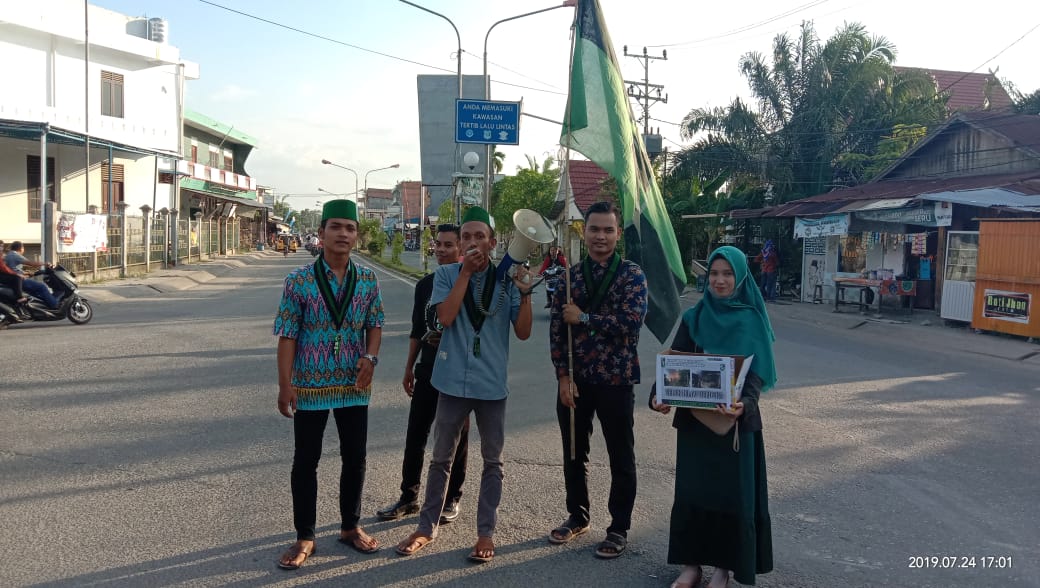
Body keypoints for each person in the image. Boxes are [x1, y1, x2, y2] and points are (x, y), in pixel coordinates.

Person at [395, 206, 533, 564]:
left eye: (479, 236)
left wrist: (527, 294)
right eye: (466, 237)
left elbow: (523, 331)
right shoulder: (445, 275)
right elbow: (446, 317)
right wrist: (465, 275)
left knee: (493, 461)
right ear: (460, 243)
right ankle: (426, 527)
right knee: (441, 458)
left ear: (492, 241)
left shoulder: (506, 280)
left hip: (490, 384)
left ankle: (485, 532)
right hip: (451, 379)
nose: (473, 242)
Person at [650, 245, 776, 588]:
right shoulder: (695, 316)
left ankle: (723, 568)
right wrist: (658, 395)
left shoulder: (751, 319)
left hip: (734, 426)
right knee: (694, 493)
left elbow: (756, 375)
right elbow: (675, 362)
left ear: (740, 277)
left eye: (727, 274)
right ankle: (691, 566)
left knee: (729, 496)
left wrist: (744, 406)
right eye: (714, 274)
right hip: (695, 424)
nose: (719, 281)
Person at [272, 200, 385, 570]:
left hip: (353, 382)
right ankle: (305, 535)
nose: (343, 234)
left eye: (350, 228)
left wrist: (370, 358)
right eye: (335, 227)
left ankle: (350, 527)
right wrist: (284, 384)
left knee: (356, 457)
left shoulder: (367, 280)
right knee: (306, 460)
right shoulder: (299, 281)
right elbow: (287, 335)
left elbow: (375, 324)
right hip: (310, 383)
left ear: (356, 236)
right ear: (321, 234)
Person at [547, 201, 647, 559]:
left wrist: (586, 319)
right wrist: (562, 376)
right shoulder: (569, 278)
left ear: (617, 234)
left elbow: (630, 322)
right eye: (594, 229)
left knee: (621, 456)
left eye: (608, 230)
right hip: (576, 380)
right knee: (574, 452)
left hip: (616, 380)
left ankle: (618, 527)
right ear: (583, 232)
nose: (600, 236)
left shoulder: (632, 275)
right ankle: (578, 515)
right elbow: (558, 331)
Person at [377, 223, 470, 525]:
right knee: (416, 432)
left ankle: (451, 498)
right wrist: (408, 367)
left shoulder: (471, 283)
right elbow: (418, 329)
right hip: (428, 368)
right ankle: (408, 497)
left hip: (460, 371)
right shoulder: (425, 285)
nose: (442, 250)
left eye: (449, 245)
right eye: (438, 244)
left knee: (457, 436)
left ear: (461, 248)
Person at [3, 241, 59, 309]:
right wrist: (45, 263)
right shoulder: (14, 255)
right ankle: (55, 306)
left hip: (13, 279)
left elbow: (12, 269)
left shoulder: (8, 255)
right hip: (18, 280)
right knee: (42, 286)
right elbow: (31, 263)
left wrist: (27, 273)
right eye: (23, 248)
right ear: (21, 248)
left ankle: (42, 306)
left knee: (35, 291)